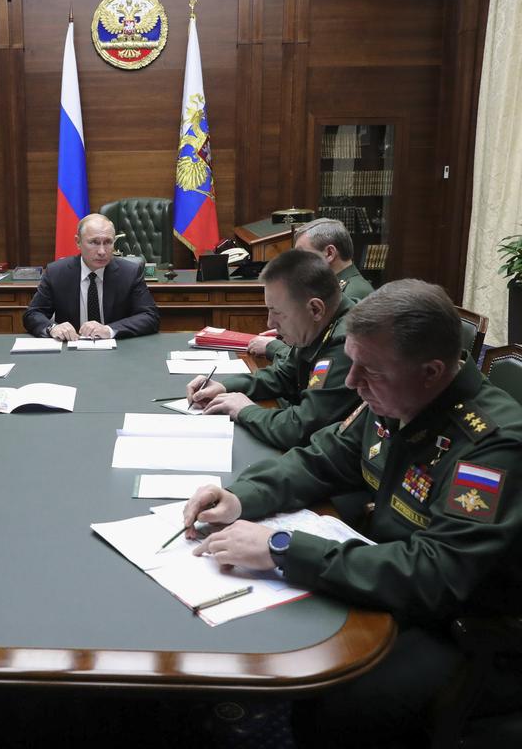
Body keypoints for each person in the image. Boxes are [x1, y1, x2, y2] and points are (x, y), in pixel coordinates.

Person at [181, 279, 522, 747]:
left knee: (336, 700)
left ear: (431, 371)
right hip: (387, 573)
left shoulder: (489, 445)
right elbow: (324, 457)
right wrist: (241, 497)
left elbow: (436, 573)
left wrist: (282, 548)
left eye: (369, 370)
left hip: (463, 627)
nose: (350, 382)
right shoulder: (394, 396)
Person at [186, 250, 359, 449]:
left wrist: (246, 410)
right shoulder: (317, 327)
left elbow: (301, 428)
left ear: (315, 309)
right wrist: (226, 387)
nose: (270, 323)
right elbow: (284, 375)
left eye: (277, 312)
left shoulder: (347, 344)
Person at [248, 218, 374, 359]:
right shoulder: (337, 286)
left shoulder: (355, 292)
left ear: (329, 253)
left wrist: (274, 346)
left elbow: (326, 353)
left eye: (302, 255)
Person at [22, 213, 160, 340]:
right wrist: (53, 328)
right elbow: (33, 314)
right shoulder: (57, 272)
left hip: (118, 352)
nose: (102, 251)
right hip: (70, 351)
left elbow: (150, 316)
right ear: (78, 242)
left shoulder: (129, 272)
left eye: (108, 242)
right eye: (94, 242)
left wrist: (109, 330)